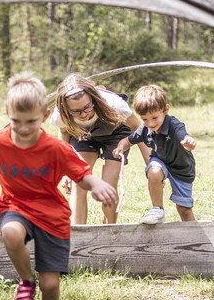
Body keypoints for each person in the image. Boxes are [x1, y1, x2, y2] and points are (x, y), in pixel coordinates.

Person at [0, 73, 118, 300]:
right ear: (8, 113)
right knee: (11, 234)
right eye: (16, 121)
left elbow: (81, 174)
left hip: (52, 215)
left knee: (50, 285)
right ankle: (26, 282)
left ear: (45, 114)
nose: (24, 128)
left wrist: (96, 183)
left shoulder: (54, 148)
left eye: (32, 121)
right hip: (15, 205)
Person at [51, 73, 150, 225]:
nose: (83, 114)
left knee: (108, 186)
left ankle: (109, 233)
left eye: (87, 107)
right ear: (66, 108)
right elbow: (64, 132)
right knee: (79, 181)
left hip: (116, 133)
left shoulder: (114, 104)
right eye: (76, 112)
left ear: (93, 98)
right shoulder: (60, 114)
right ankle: (78, 237)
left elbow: (139, 129)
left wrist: (151, 164)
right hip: (83, 135)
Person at [113, 84, 197, 225]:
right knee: (154, 171)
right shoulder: (145, 129)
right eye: (144, 119)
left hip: (181, 168)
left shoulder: (174, 124)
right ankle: (157, 210)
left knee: (184, 209)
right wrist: (121, 147)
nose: (150, 123)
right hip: (161, 161)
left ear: (166, 109)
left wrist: (187, 142)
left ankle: (194, 236)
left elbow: (183, 135)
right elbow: (128, 140)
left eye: (155, 118)